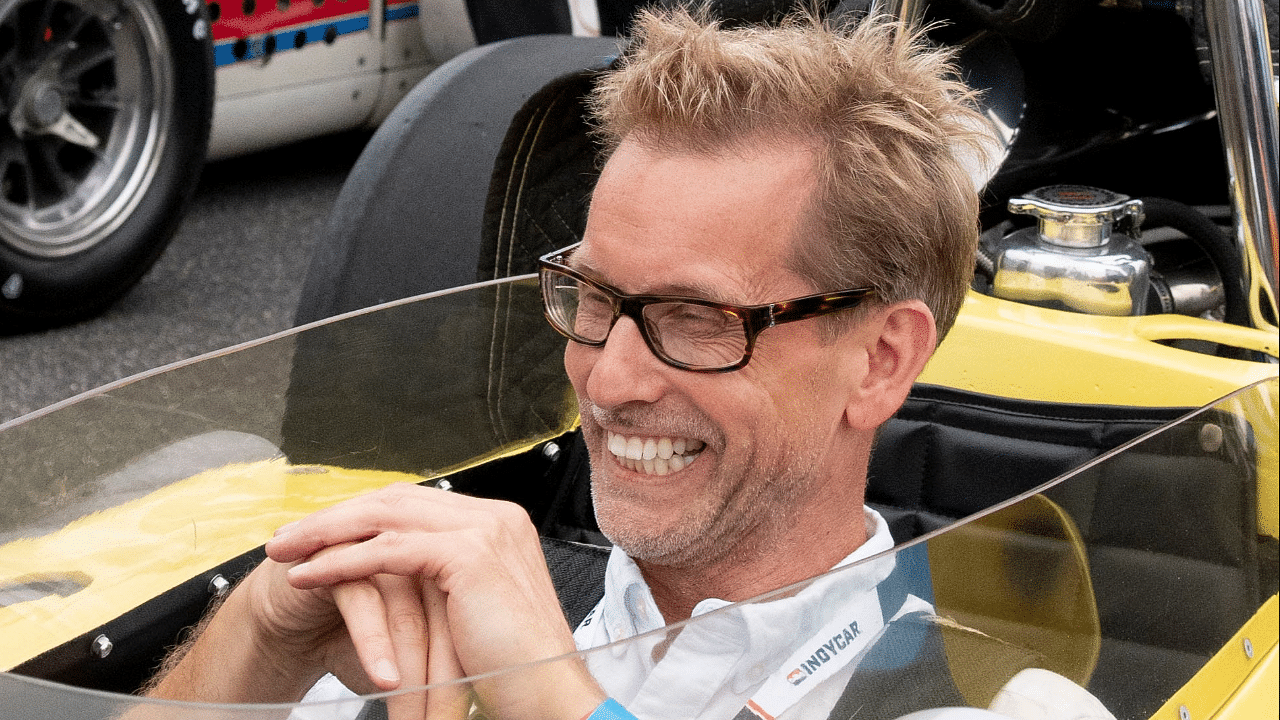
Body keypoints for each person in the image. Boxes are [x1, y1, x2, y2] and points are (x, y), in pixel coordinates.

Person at [142, 6, 1073, 720]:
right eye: (594, 299)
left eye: (697, 318)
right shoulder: (472, 594)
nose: (609, 380)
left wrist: (556, 700)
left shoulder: (988, 702)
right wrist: (259, 635)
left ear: (879, 360)